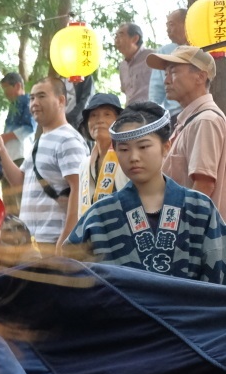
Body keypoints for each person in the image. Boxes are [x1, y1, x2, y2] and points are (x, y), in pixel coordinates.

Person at [66, 102, 226, 283]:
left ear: (166, 147)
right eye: (124, 149)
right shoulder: (99, 216)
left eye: (143, 147)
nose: (134, 157)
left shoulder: (200, 209)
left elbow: (218, 281)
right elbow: (69, 277)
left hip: (192, 312)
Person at [0, 77, 87, 254]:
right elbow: (20, 183)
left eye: (41, 96)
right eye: (32, 98)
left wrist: (67, 238)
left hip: (53, 241)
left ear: (61, 100)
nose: (34, 103)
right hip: (31, 242)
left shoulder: (68, 139)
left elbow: (80, 188)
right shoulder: (40, 141)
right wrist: (2, 151)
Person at [149, 46, 226, 216]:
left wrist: (175, 231)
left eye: (173, 72)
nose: (166, 81)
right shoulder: (190, 121)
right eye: (166, 73)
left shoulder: (205, 121)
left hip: (195, 238)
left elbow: (203, 186)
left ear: (200, 76)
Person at [75, 93, 126, 215]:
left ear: (119, 121)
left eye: (107, 114)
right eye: (93, 115)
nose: (99, 120)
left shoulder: (128, 157)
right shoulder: (84, 165)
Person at [149, 9, 188, 115]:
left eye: (171, 25)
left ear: (186, 23)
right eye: (167, 26)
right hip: (174, 114)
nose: (167, 30)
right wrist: (151, 114)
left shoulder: (202, 48)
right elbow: (156, 90)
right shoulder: (164, 52)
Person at [115, 22, 156, 105]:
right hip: (131, 113)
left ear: (135, 39)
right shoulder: (122, 66)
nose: (116, 39)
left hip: (152, 111)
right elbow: (125, 91)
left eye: (121, 35)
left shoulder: (153, 57)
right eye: (116, 36)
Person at [0, 72, 33, 163]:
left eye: (6, 88)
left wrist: (5, 137)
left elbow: (29, 128)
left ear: (17, 86)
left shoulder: (28, 100)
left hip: (22, 152)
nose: (5, 93)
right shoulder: (13, 105)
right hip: (10, 155)